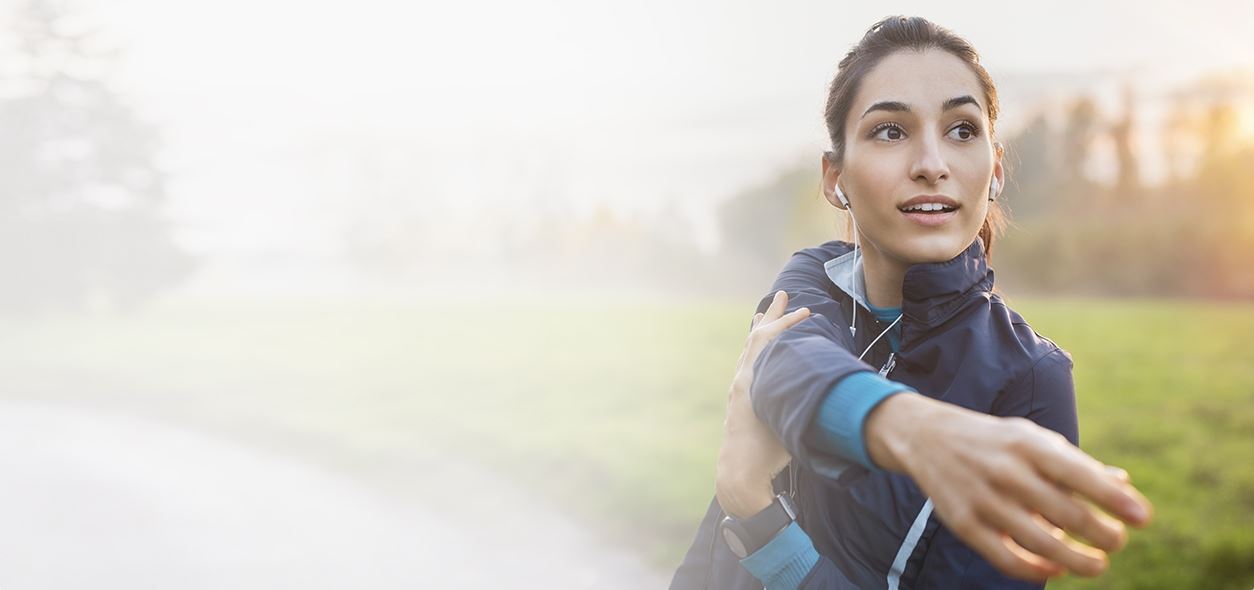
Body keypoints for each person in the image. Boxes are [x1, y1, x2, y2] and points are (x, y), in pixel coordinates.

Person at [669, 16, 1152, 590]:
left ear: (994, 171)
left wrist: (758, 521)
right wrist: (914, 429)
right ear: (835, 178)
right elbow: (785, 363)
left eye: (962, 130)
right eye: (891, 131)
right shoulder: (813, 276)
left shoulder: (1031, 380)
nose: (931, 163)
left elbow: (746, 485)